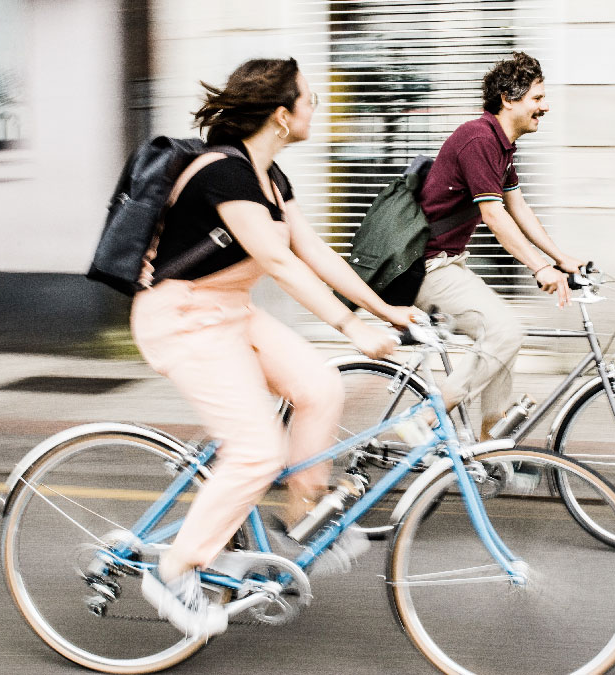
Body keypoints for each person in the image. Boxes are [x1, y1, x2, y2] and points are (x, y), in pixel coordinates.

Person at [131, 58, 417, 638]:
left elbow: (317, 254)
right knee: (258, 448)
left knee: (319, 386)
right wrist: (348, 326)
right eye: (309, 98)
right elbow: (278, 260)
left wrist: (385, 311)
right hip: (182, 318)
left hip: (230, 312)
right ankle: (174, 570)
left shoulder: (271, 180)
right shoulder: (223, 174)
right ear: (282, 116)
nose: (318, 107)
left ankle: (303, 518)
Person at [414, 52, 586, 437]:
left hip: (448, 263)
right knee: (505, 330)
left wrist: (561, 259)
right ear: (509, 98)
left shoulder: (500, 144)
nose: (545, 106)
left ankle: (491, 442)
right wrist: (539, 267)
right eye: (537, 98)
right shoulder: (478, 139)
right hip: (428, 267)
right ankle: (428, 417)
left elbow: (518, 206)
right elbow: (494, 215)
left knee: (501, 336)